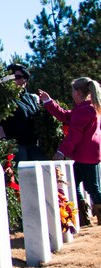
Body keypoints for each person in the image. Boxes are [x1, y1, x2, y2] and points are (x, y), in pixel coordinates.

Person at [39, 77, 101, 225]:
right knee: (75, 184)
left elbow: (74, 135)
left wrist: (61, 152)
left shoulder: (85, 110)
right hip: (87, 154)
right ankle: (83, 217)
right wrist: (49, 102)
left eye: (73, 90)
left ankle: (89, 216)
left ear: (78, 92)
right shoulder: (87, 108)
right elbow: (66, 116)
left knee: (92, 187)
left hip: (85, 155)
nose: (72, 93)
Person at [0, 64, 46, 161]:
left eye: (17, 77)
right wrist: (4, 142)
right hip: (15, 145)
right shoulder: (5, 98)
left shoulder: (31, 98)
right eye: (11, 77)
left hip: (32, 143)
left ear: (25, 79)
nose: (14, 80)